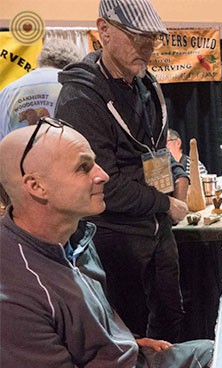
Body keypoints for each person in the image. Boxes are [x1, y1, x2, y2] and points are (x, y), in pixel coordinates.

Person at [0, 122, 212, 368]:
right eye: (83, 167)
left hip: (127, 366)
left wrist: (122, 341)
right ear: (37, 186)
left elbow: (78, 331)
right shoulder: (13, 293)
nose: (103, 176)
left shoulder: (76, 236)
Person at [55, 0, 190, 343]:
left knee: (171, 316)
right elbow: (105, 184)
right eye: (135, 37)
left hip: (157, 232)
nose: (145, 48)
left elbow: (155, 150)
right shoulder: (80, 98)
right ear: (103, 30)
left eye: (151, 39)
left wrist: (178, 174)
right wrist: (165, 205)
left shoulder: (146, 87)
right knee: (127, 331)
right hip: (116, 236)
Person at [0, 38, 81, 140]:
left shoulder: (8, 91)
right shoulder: (76, 87)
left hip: (17, 153)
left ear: (41, 59)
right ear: (73, 63)